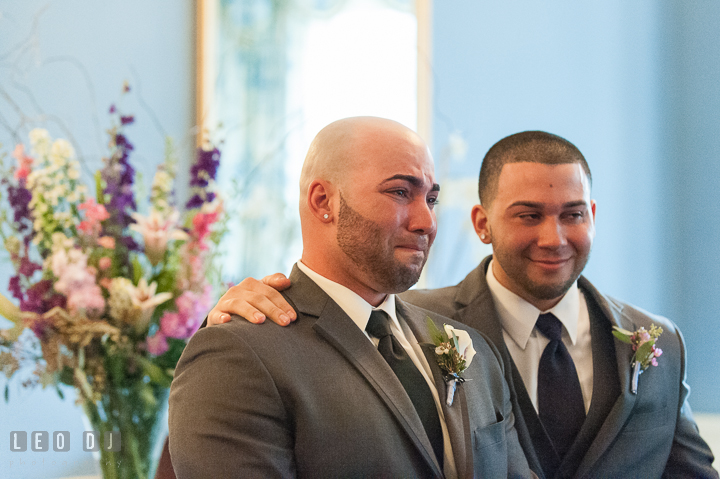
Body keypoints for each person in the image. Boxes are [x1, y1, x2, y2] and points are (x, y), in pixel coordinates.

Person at [208, 130, 719, 479]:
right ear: (482, 223)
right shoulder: (420, 331)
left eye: (573, 214)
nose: (554, 237)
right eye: (528, 215)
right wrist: (235, 317)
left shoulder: (659, 342)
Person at [168, 117, 533, 478]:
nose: (427, 221)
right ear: (323, 200)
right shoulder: (239, 355)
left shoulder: (473, 350)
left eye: (431, 198)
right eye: (400, 193)